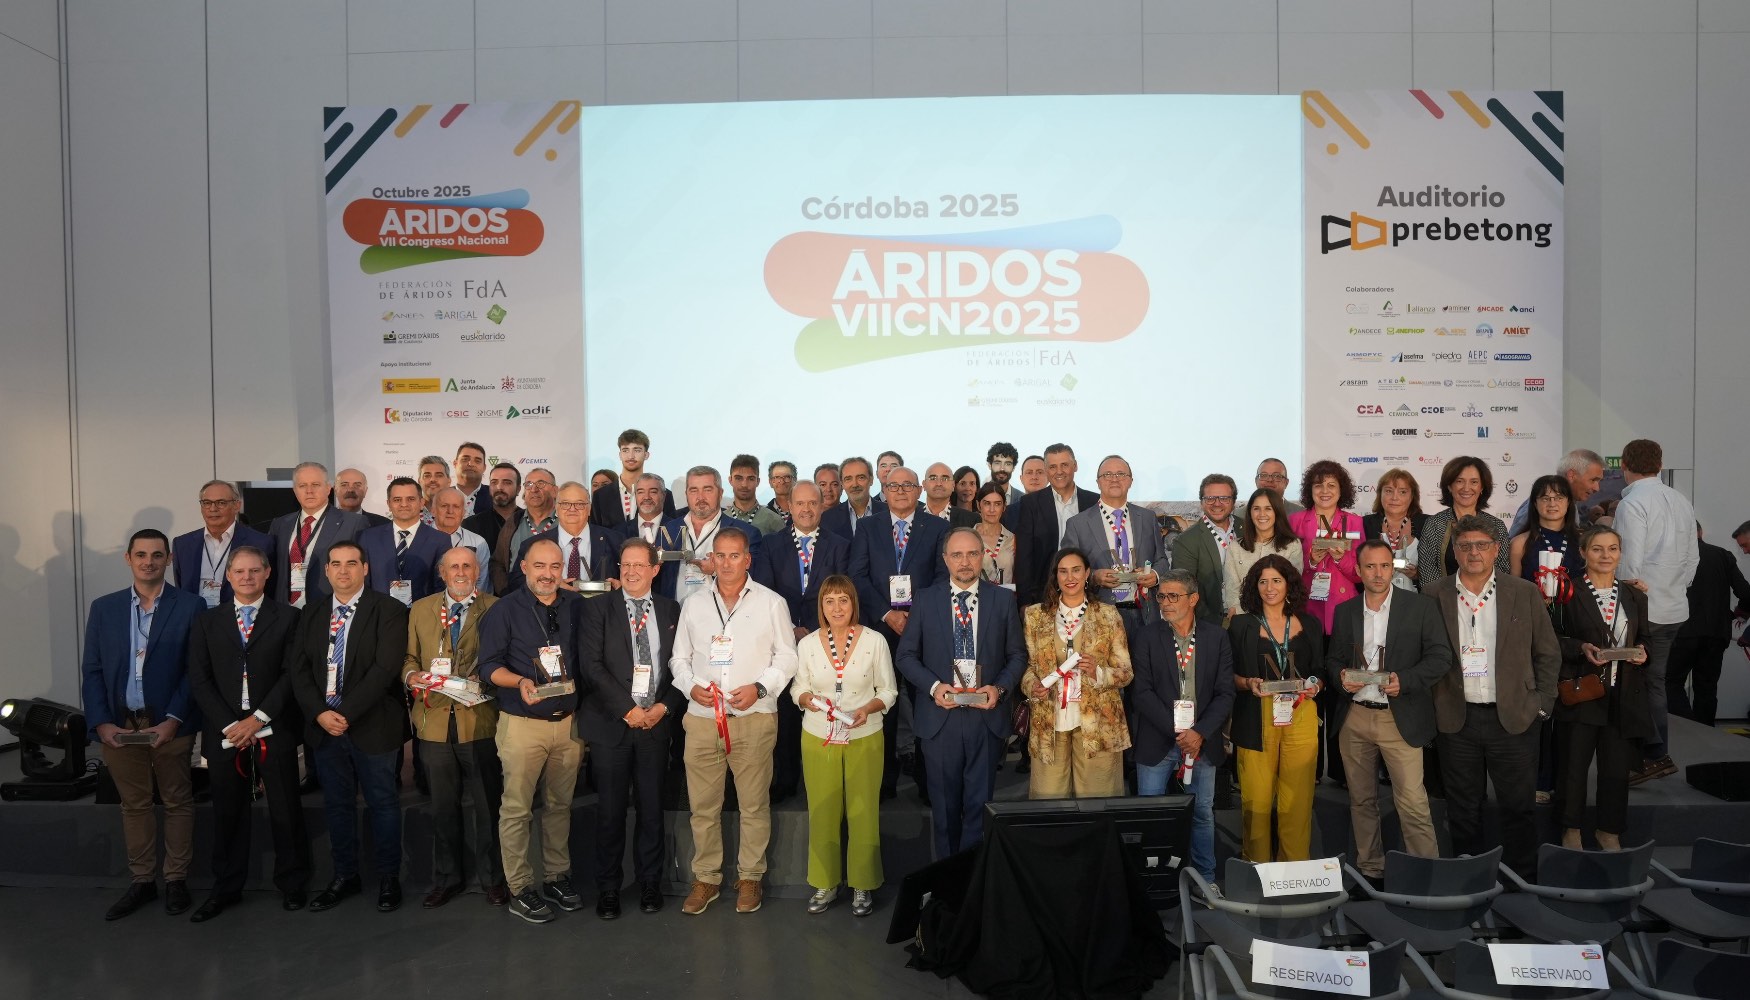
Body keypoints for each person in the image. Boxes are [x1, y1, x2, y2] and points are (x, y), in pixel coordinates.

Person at [671, 527, 799, 916]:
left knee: (753, 806)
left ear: (748, 559)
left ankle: (750, 878)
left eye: (734, 556)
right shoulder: (693, 603)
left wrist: (761, 688)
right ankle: (706, 879)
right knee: (703, 808)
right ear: (713, 558)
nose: (726, 564)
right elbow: (679, 659)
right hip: (702, 719)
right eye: (720, 556)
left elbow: (787, 657)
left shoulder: (771, 603)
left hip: (754, 718)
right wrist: (690, 687)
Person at [82, 528, 206, 920]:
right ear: (128, 559)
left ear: (169, 559)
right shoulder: (104, 608)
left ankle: (175, 880)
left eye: (157, 555)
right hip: (119, 728)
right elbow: (93, 670)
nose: (149, 562)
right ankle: (142, 882)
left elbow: (194, 670)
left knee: (177, 802)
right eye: (141, 555)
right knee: (133, 806)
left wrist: (174, 719)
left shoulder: (191, 605)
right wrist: (101, 723)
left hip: (169, 725)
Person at [1429, 515, 1560, 877]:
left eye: (1482, 545)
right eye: (1466, 545)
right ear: (1454, 551)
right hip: (1457, 720)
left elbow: (1548, 653)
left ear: (1496, 550)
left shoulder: (1523, 592)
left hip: (1515, 719)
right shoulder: (1433, 594)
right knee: (1463, 811)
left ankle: (1521, 884)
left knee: (1519, 809)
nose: (1474, 552)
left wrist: (1542, 706)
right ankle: (1470, 881)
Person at [186, 545, 310, 920]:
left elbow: (293, 674)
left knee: (286, 809)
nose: (246, 578)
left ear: (268, 572)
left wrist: (258, 719)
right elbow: (199, 678)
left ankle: (292, 884)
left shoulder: (289, 618)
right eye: (239, 572)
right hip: (225, 730)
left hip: (273, 726)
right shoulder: (207, 621)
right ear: (228, 576)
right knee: (227, 811)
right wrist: (231, 725)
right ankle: (226, 887)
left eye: (254, 571)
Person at [289, 539, 410, 913]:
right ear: (326, 570)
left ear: (365, 568)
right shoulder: (311, 612)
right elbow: (299, 669)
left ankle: (389, 878)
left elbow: (385, 668)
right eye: (336, 564)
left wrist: (345, 712)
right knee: (337, 806)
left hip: (372, 724)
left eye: (351, 563)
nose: (343, 570)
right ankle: (345, 876)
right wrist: (320, 714)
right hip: (325, 729)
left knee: (383, 804)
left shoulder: (388, 609)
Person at [1325, 541, 1453, 880]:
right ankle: (1370, 870)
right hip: (1355, 717)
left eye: (1384, 566)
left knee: (1412, 802)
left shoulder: (1421, 607)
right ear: (1359, 570)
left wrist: (1405, 680)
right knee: (1362, 801)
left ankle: (1426, 874)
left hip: (1400, 716)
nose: (1378, 573)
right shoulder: (1346, 610)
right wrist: (1340, 679)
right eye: (1370, 567)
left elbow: (1441, 657)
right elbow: (1334, 659)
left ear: (1392, 568)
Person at [895, 528, 1026, 858]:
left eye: (971, 554)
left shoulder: (1002, 599)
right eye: (957, 554)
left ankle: (973, 886)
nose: (965, 561)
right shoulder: (925, 599)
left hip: (986, 719)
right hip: (940, 720)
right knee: (944, 812)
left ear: (982, 555)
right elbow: (906, 656)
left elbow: (1017, 656)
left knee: (979, 810)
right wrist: (935, 687)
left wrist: (999, 688)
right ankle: (944, 886)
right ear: (945, 559)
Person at [476, 538, 585, 924]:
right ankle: (520, 887)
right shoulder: (504, 611)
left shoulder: (576, 606)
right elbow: (487, 666)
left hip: (569, 727)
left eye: (555, 567)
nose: (548, 574)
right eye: (540, 566)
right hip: (522, 725)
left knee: (559, 806)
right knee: (517, 810)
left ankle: (556, 876)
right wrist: (520, 680)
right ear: (524, 567)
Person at [577, 537, 683, 919]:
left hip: (655, 723)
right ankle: (609, 887)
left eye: (641, 565)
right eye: (626, 565)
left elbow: (681, 667)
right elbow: (591, 666)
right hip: (612, 726)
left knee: (652, 811)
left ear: (656, 570)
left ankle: (650, 883)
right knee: (610, 812)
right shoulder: (598, 609)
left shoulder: (672, 609)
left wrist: (663, 707)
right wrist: (627, 709)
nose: (632, 571)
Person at [402, 546, 506, 909]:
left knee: (487, 806)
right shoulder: (420, 609)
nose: (460, 572)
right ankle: (448, 878)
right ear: (442, 573)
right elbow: (409, 658)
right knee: (443, 807)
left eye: (467, 566)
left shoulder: (496, 608)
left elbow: (506, 658)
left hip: (478, 721)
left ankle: (494, 878)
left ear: (477, 571)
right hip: (433, 721)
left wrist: (486, 679)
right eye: (453, 567)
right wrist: (411, 675)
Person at [793, 574, 896, 917]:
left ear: (854, 603)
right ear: (821, 606)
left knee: (862, 810)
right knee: (822, 810)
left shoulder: (875, 641)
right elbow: (798, 688)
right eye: (829, 601)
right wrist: (807, 698)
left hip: (864, 736)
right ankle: (825, 883)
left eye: (843, 600)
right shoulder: (807, 644)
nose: (837, 608)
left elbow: (889, 691)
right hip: (818, 735)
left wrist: (867, 709)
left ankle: (863, 885)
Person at [848, 467, 947, 801]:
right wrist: (889, 614)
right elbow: (857, 576)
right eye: (894, 485)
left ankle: (925, 780)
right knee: (881, 704)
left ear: (919, 490)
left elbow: (940, 578)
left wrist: (914, 616)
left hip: (923, 631)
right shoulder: (868, 526)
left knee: (925, 705)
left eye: (908, 485)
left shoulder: (937, 527)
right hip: (879, 630)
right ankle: (883, 780)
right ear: (883, 490)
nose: (901, 491)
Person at [1131, 569, 1235, 881]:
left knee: (1202, 814)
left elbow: (1225, 692)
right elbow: (1142, 693)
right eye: (1161, 596)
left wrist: (1199, 733)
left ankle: (1205, 879)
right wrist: (1179, 732)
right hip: (1158, 741)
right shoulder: (1147, 636)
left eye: (1173, 596)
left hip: (1201, 742)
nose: (1164, 602)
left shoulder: (1216, 637)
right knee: (1152, 815)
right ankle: (1154, 881)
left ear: (1193, 599)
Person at [1554, 526, 1653, 851]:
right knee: (1573, 767)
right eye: (1597, 549)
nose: (1606, 556)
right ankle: (1571, 830)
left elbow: (1646, 639)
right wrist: (1580, 647)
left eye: (1612, 549)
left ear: (1620, 553)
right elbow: (1552, 640)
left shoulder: (1635, 595)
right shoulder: (1566, 592)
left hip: (1623, 696)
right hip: (1583, 692)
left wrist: (1642, 654)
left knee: (1615, 770)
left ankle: (1609, 830)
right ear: (1583, 553)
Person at [751, 482, 849, 803]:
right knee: (788, 715)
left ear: (822, 507)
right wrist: (791, 628)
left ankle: (825, 782)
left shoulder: (840, 545)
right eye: (800, 503)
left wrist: (817, 628)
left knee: (825, 709)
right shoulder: (769, 546)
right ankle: (786, 780)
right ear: (789, 507)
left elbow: (843, 594)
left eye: (812, 503)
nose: (806, 509)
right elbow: (764, 593)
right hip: (783, 642)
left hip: (826, 641)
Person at [1614, 438, 1700, 785]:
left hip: (1642, 608)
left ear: (1623, 465)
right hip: (1674, 605)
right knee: (1654, 682)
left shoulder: (1633, 503)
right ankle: (1651, 754)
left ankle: (1652, 755)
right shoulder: (1680, 500)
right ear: (1660, 464)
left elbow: (1627, 563)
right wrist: (1675, 587)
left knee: (1642, 684)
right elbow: (1694, 558)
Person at [1227, 555, 1325, 862]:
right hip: (1256, 716)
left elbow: (1319, 670)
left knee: (1297, 800)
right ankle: (1256, 871)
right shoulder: (1241, 625)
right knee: (1255, 800)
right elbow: (1225, 675)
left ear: (1289, 584)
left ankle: (1293, 871)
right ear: (1254, 587)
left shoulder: (1309, 623)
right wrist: (1246, 683)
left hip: (1301, 712)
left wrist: (1315, 685)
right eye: (1263, 581)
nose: (1270, 588)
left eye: (1277, 581)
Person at [1020, 547, 1132, 798]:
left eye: (1076, 570)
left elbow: (1126, 673)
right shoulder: (1035, 615)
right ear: (1055, 576)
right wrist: (1032, 685)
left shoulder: (1108, 614)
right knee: (1048, 802)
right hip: (1049, 720)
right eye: (1063, 571)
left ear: (1087, 573)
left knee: (1098, 802)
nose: (1070, 577)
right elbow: (1028, 666)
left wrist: (1098, 672)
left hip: (1099, 722)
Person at [1507, 473, 1583, 804]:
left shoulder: (1582, 540)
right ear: (1535, 503)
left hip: (1573, 633)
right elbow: (1511, 592)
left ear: (1569, 503)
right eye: (1544, 497)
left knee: (1568, 708)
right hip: (1533, 632)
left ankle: (1565, 780)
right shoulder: (1521, 542)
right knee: (1538, 708)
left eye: (1559, 497)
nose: (1552, 503)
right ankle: (1536, 778)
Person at [1063, 455, 1162, 637]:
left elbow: (1161, 560)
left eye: (1121, 474)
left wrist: (1154, 575)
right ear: (1098, 482)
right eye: (1107, 474)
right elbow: (1065, 570)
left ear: (1130, 481)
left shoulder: (1148, 518)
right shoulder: (1077, 524)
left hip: (1144, 612)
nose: (1114, 479)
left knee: (1146, 665)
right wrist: (1093, 576)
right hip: (1099, 612)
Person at [1671, 523, 1750, 726]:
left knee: (1670, 683)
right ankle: (1705, 732)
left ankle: (1687, 727)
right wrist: (1740, 613)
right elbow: (1746, 593)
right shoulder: (1723, 555)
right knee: (1707, 687)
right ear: (1700, 532)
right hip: (1716, 634)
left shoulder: (1673, 557)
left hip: (1683, 632)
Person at [268, 461, 368, 608]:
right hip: (285, 611)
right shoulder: (280, 524)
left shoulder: (353, 523)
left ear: (328, 488)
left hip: (330, 610)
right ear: (295, 490)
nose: (309, 491)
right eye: (302, 486)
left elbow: (363, 573)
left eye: (315, 485)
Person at [657, 466, 762, 603]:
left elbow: (755, 579)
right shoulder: (668, 530)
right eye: (694, 490)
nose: (700, 497)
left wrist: (717, 570)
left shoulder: (746, 533)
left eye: (707, 489)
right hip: (675, 618)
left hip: (724, 618)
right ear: (686, 494)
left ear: (720, 493)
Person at [1011, 443, 1098, 606]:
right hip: (1043, 596)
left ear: (1075, 466)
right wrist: (1024, 602)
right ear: (1047, 470)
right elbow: (1024, 558)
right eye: (1052, 467)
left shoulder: (1093, 501)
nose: (1059, 472)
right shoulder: (1030, 503)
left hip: (1089, 595)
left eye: (1064, 465)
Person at [173, 478, 274, 608]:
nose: (213, 508)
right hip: (195, 621)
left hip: (240, 621)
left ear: (237, 505)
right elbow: (181, 590)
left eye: (221, 502)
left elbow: (270, 589)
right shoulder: (183, 544)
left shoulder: (261, 543)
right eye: (207, 503)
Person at [1290, 460, 1365, 635]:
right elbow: (1286, 569)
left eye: (1331, 485)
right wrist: (1311, 561)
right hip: (1306, 603)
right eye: (1318, 485)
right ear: (1310, 489)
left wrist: (1340, 558)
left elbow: (1360, 573)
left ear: (1341, 490)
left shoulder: (1355, 522)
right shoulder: (1295, 521)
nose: (1325, 491)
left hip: (1342, 604)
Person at [509, 481, 621, 593]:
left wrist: (624, 586)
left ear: (589, 508)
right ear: (556, 509)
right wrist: (550, 585)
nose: (572, 509)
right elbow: (516, 582)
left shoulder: (616, 540)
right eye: (565, 504)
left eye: (580, 504)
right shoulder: (533, 545)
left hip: (601, 608)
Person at [1417, 456, 1510, 590]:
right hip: (1444, 603)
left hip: (1487, 602)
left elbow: (1502, 569)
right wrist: (1445, 599)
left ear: (1482, 487)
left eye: (1474, 482)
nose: (1466, 488)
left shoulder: (1496, 525)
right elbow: (1427, 569)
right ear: (1449, 486)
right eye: (1459, 481)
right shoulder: (1434, 524)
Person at [358, 476, 449, 606]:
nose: (404, 504)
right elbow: (362, 582)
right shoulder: (368, 538)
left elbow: (441, 586)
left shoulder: (440, 540)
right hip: (380, 618)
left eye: (410, 499)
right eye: (397, 500)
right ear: (389, 504)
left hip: (423, 618)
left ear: (422, 503)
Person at [1223, 489, 1303, 619]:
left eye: (1268, 508)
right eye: (1256, 509)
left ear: (1277, 512)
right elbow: (1232, 587)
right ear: (1249, 512)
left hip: (1280, 619)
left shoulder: (1292, 545)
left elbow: (1292, 586)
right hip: (1244, 618)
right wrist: (1240, 615)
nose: (1262, 514)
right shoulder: (1235, 547)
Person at [1172, 474, 1241, 626]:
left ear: (1233, 502)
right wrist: (1211, 623)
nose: (1217, 503)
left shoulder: (1249, 529)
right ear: (1201, 503)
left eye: (1224, 498)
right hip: (1212, 623)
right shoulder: (1186, 541)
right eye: (1210, 498)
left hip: (1251, 618)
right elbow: (1184, 590)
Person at [591, 428, 676, 532]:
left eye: (637, 450)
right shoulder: (601, 496)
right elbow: (595, 533)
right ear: (620, 455)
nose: (631, 456)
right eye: (625, 450)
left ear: (646, 455)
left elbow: (671, 531)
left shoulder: (664, 494)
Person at [1508, 448, 1606, 537]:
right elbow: (1513, 544)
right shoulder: (1539, 505)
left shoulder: (1572, 505)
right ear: (1571, 475)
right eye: (1593, 480)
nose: (1597, 488)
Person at [1362, 468, 1426, 592]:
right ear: (1380, 494)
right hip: (1376, 600)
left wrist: (1417, 575)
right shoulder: (1365, 523)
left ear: (1412, 496)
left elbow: (1439, 569)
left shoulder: (1427, 523)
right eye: (1388, 491)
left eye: (1402, 492)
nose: (1394, 498)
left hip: (1417, 601)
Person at [463, 462, 523, 592]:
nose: (499, 487)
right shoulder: (470, 525)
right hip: (480, 599)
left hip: (524, 597)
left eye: (507, 482)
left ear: (518, 489)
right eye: (494, 482)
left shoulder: (528, 522)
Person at [431, 486, 492, 594]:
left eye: (456, 506)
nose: (450, 511)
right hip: (426, 607)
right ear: (433, 511)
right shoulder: (418, 539)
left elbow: (482, 583)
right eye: (444, 506)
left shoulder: (478, 543)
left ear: (463, 512)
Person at [820, 456, 883, 540]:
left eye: (861, 477)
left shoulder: (889, 512)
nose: (855, 484)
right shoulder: (827, 519)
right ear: (842, 483)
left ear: (871, 480)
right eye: (848, 479)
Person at [724, 453, 786, 536]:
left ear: (758, 481)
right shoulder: (720, 520)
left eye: (751, 479)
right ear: (730, 480)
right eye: (738, 478)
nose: (744, 484)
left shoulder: (774, 521)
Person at [505, 467, 558, 561]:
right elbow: (498, 563)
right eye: (528, 484)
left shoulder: (566, 521)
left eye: (540, 484)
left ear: (555, 491)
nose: (533, 489)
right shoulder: (513, 521)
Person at [971, 483, 1017, 589]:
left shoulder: (1013, 539)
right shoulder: (968, 539)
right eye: (987, 503)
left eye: (997, 504)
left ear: (1004, 507)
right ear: (978, 505)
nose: (992, 509)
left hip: (1007, 601)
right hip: (977, 601)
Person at [921, 462, 979, 528]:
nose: (939, 483)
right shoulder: (911, 515)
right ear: (924, 484)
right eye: (933, 478)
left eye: (945, 479)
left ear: (953, 485)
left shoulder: (972, 520)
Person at [455, 441, 490, 515]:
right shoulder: (441, 496)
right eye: (465, 459)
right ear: (455, 464)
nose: (471, 464)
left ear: (484, 468)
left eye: (477, 461)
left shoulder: (494, 496)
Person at [417, 454, 453, 523]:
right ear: (419, 481)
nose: (432, 479)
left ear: (449, 481)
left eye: (439, 475)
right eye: (427, 475)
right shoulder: (407, 512)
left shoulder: (461, 514)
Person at [766, 460, 798, 528]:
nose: (782, 482)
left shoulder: (804, 510)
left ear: (795, 480)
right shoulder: (763, 514)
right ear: (770, 482)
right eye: (777, 478)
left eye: (787, 477)